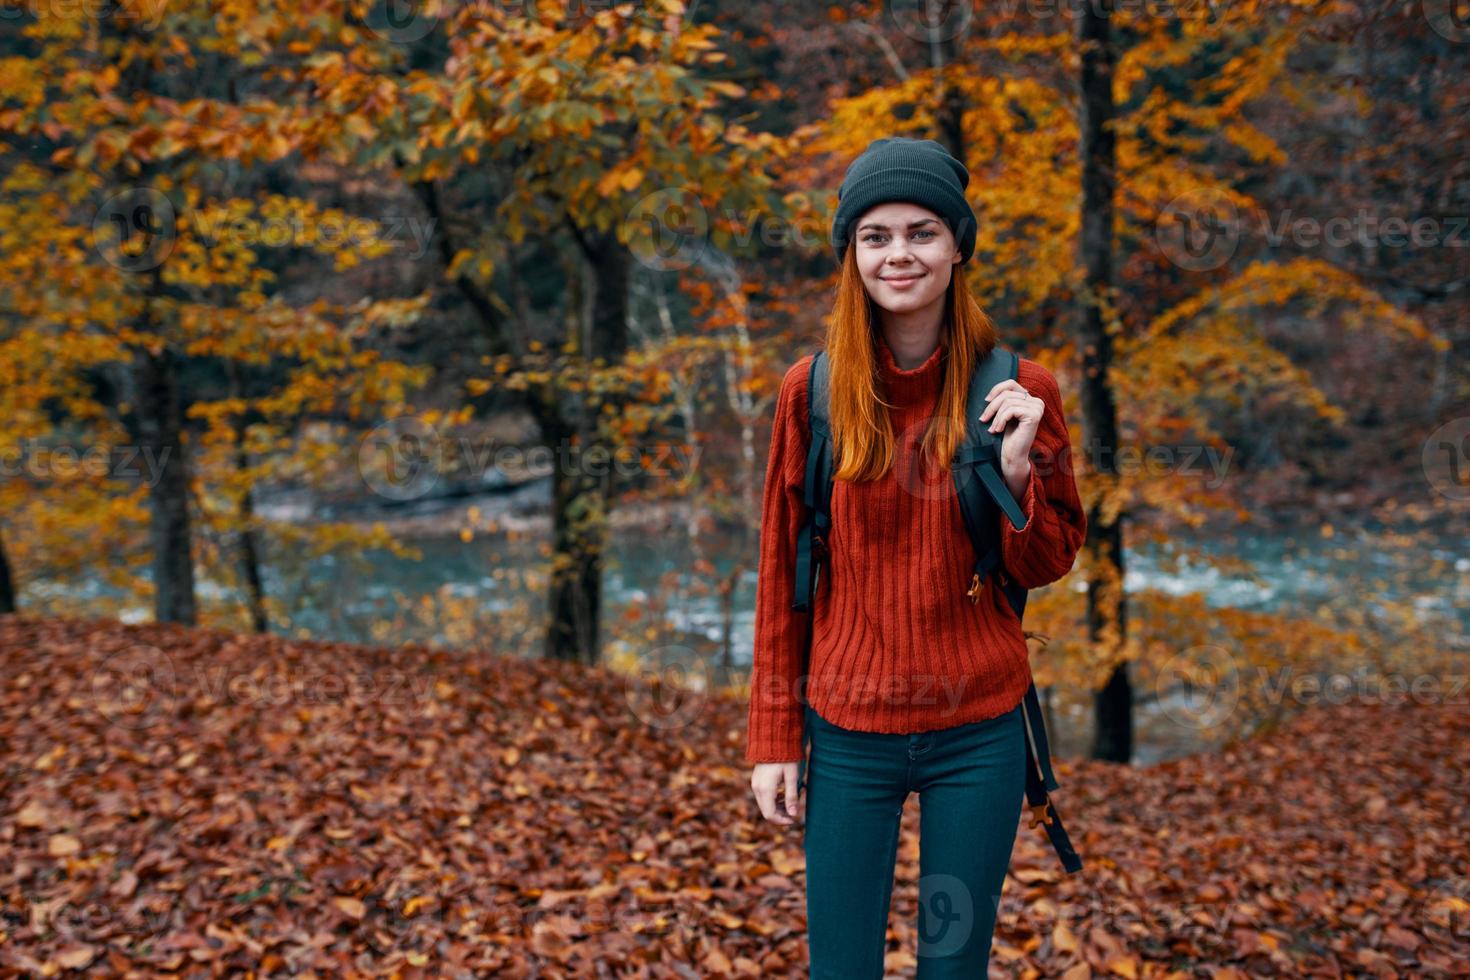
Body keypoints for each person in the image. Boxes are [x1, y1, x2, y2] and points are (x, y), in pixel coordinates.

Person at [745, 136, 1088, 978]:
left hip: (979, 732)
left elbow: (1048, 560)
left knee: (951, 965)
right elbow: (781, 578)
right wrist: (773, 736)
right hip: (848, 731)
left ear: (958, 244)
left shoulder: (1023, 390)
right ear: (852, 253)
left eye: (923, 232)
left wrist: (1016, 471)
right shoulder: (813, 391)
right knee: (842, 967)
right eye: (876, 236)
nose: (900, 254)